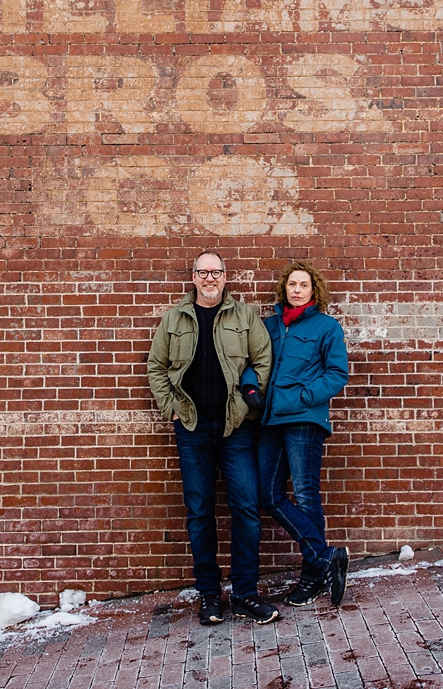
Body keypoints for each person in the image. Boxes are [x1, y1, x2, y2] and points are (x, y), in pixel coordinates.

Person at [147, 251, 279, 626]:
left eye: (215, 272)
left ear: (225, 277)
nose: (209, 278)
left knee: (247, 510)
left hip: (235, 428)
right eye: (202, 272)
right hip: (191, 428)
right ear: (193, 277)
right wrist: (169, 405)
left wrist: (247, 403)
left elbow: (262, 360)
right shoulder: (174, 318)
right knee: (200, 513)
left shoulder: (244, 316)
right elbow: (156, 365)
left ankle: (245, 594)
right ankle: (208, 595)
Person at [257, 261, 351, 607]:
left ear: (314, 291)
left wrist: (304, 397)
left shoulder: (326, 327)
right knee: (267, 494)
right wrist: (252, 391)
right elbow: (254, 364)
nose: (297, 290)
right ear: (284, 289)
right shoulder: (268, 327)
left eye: (304, 285)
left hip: (303, 420)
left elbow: (337, 373)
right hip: (270, 421)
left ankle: (312, 576)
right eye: (292, 284)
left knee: (307, 495)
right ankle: (327, 557)